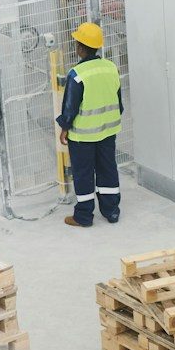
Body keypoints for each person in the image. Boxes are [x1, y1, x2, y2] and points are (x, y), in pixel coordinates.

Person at [55, 22, 123, 228]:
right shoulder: (111, 68)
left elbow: (70, 107)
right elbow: (119, 102)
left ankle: (83, 216)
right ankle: (111, 211)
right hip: (108, 131)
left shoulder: (77, 74)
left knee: (83, 174)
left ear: (80, 47)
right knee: (108, 169)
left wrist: (64, 127)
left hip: (83, 136)